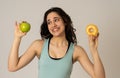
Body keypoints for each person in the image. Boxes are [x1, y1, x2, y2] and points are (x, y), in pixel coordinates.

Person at [8, 7, 105, 78]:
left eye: (56, 20)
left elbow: (100, 77)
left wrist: (94, 50)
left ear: (65, 21)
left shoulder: (76, 51)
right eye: (49, 22)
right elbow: (13, 67)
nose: (53, 24)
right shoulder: (38, 45)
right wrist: (17, 38)